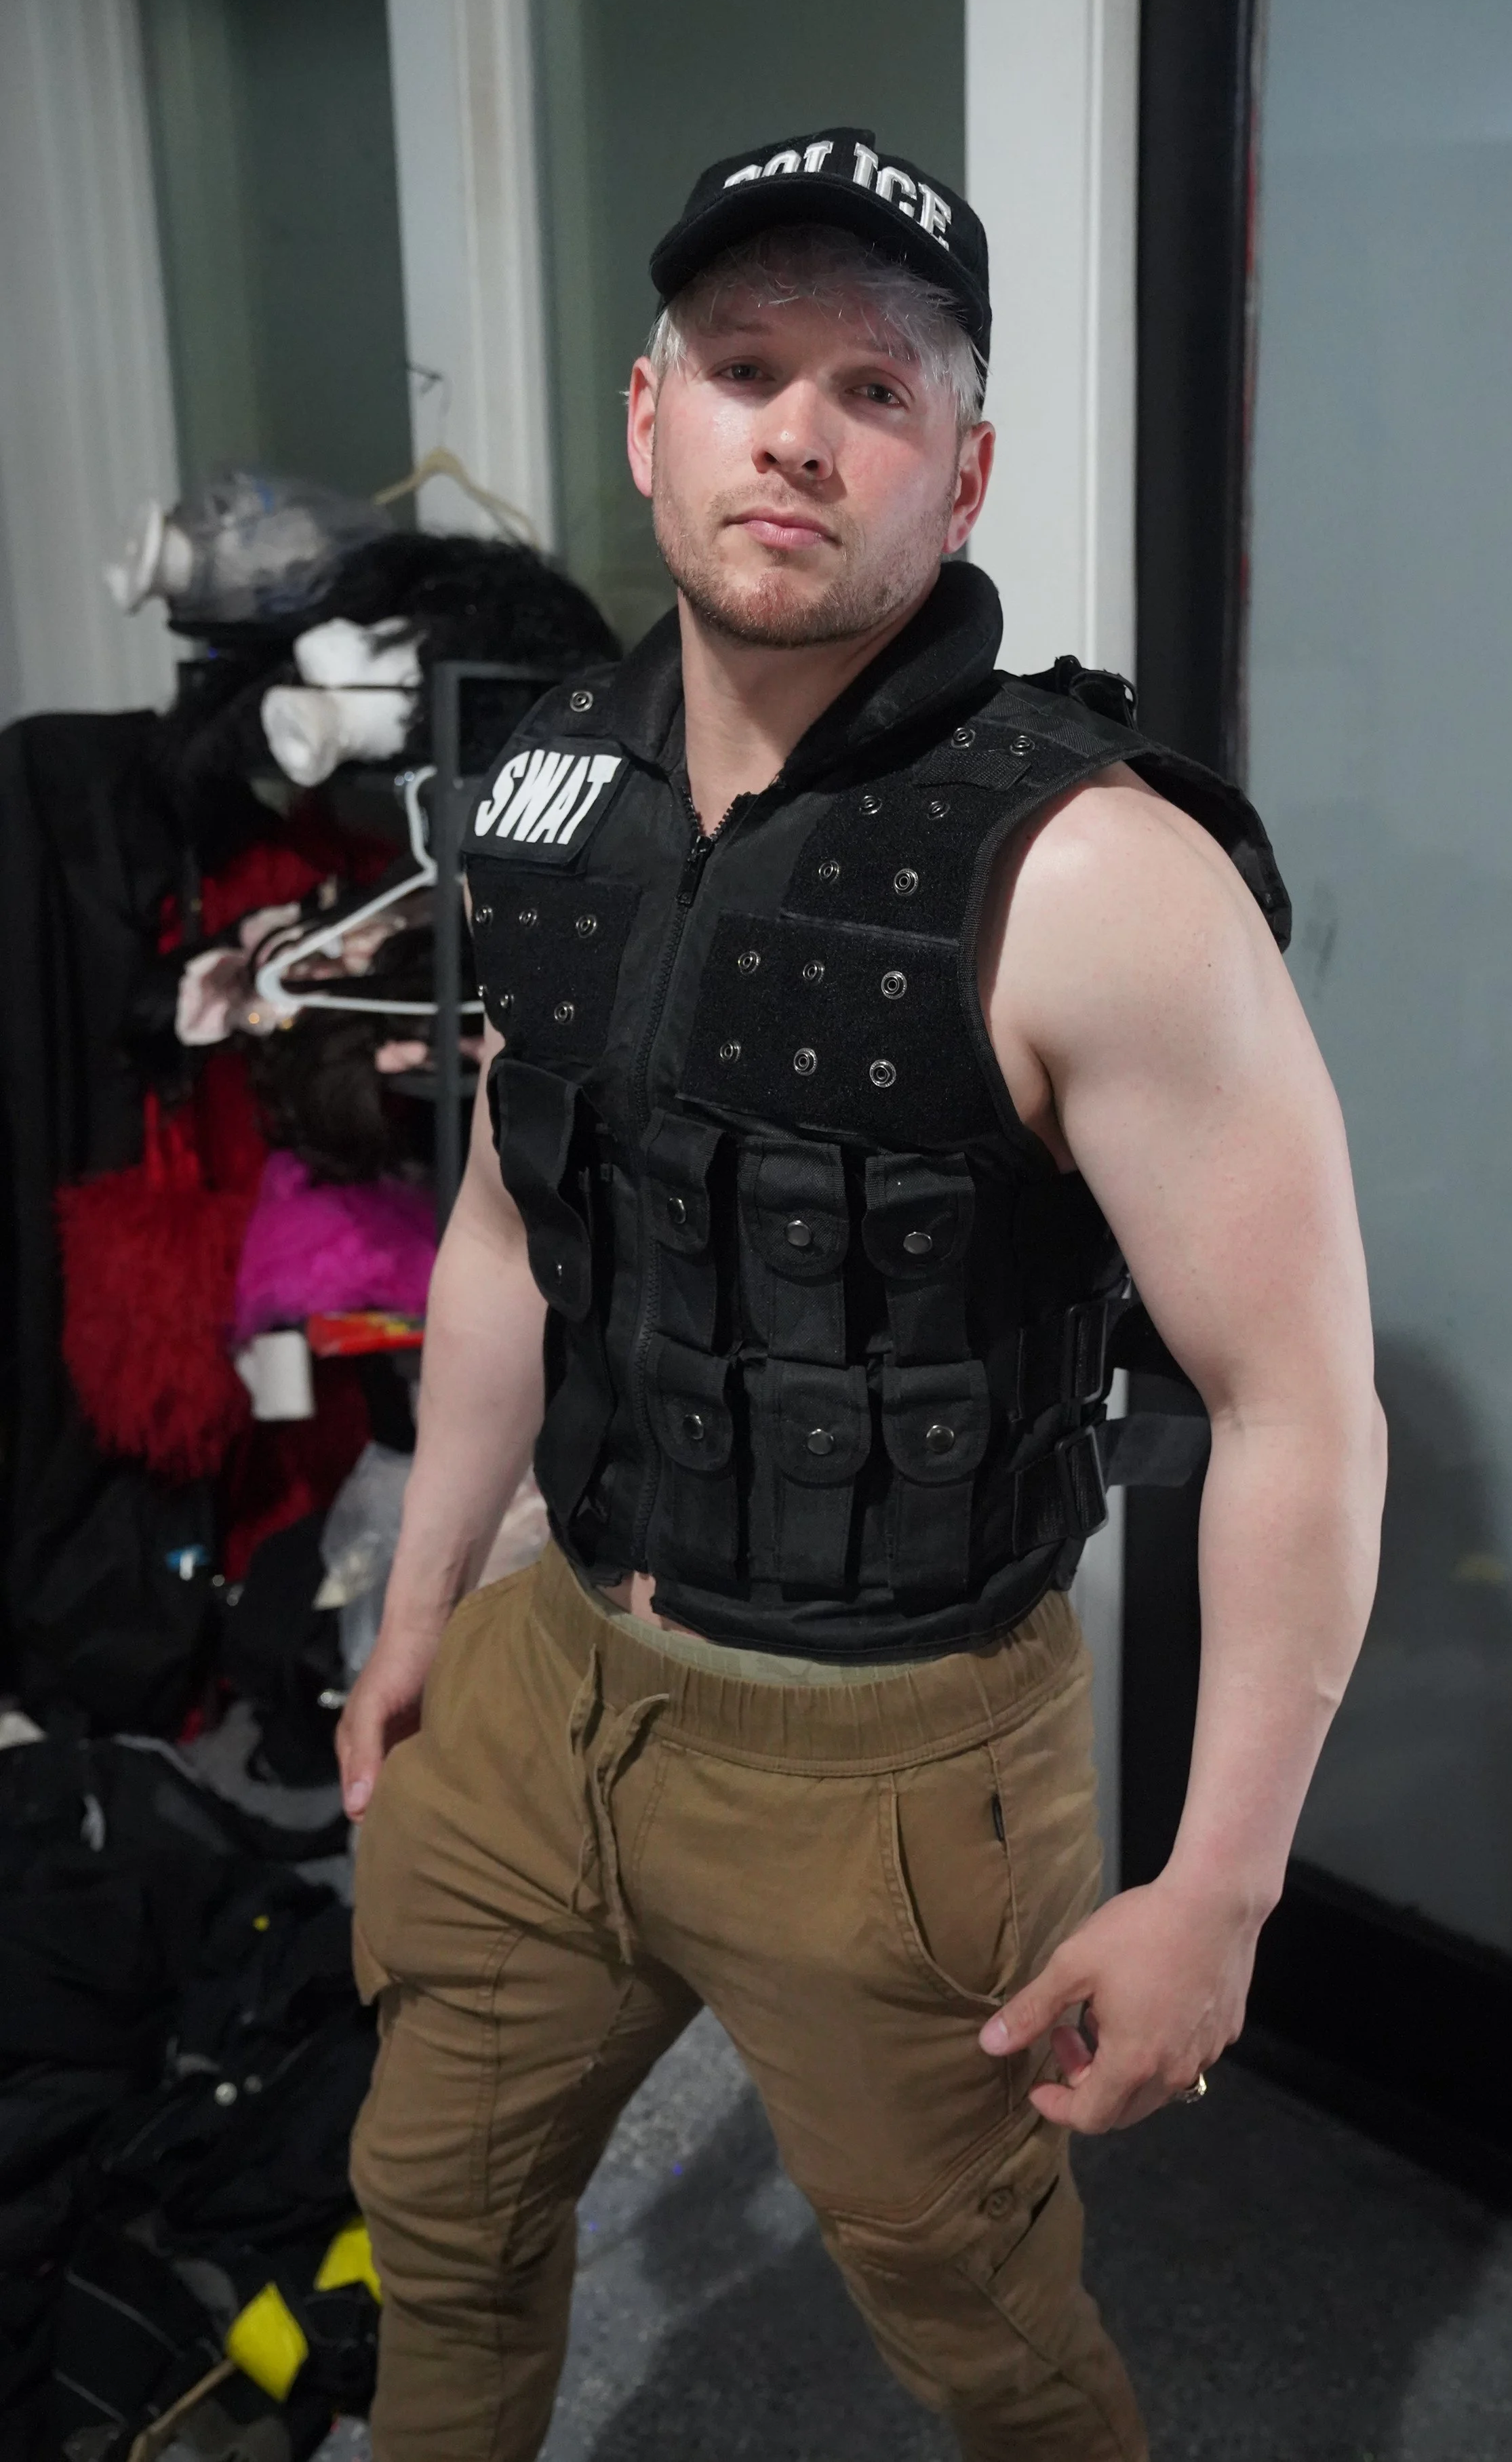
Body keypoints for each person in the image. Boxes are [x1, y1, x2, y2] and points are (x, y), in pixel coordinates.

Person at [338, 127, 1387, 2462]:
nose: (793, 429)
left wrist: (1216, 1891)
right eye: (739, 366)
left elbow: (1303, 1407)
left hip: (887, 1764)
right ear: (649, 419)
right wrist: (423, 1599)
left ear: (966, 465)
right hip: (547, 1684)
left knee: (978, 2332)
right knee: (438, 2214)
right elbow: (518, 1219)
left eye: (872, 386)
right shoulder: (540, 800)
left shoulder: (1100, 870)